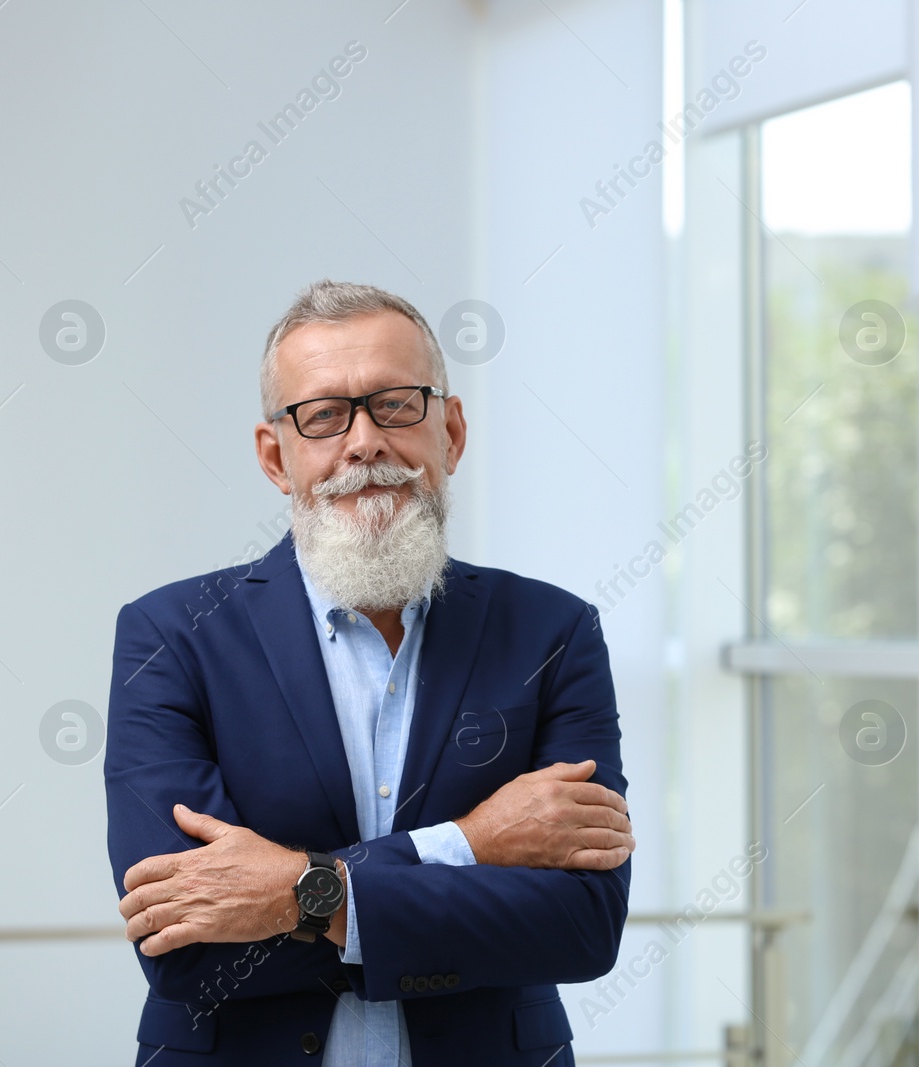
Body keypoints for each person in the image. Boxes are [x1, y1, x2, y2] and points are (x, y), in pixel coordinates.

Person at [104, 279, 633, 1066]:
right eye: (322, 415)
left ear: (450, 431)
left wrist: (285, 893)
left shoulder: (553, 632)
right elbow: (189, 950)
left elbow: (580, 925)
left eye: (395, 404)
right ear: (274, 455)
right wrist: (472, 842)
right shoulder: (170, 635)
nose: (363, 443)